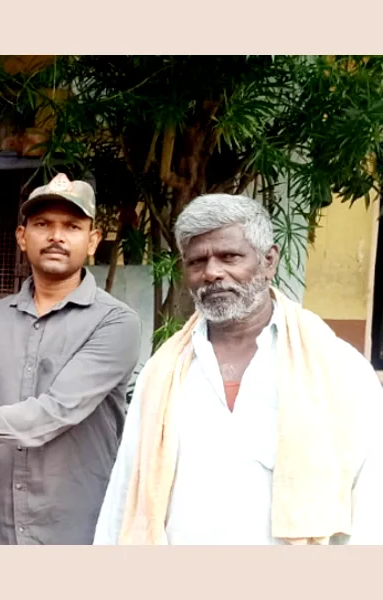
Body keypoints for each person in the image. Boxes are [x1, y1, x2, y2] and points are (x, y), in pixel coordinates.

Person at [94, 193, 383, 545]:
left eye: (230, 256)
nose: (212, 273)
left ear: (268, 261)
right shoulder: (162, 373)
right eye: (197, 261)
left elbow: (372, 498)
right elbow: (126, 489)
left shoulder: (338, 366)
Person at [0, 173, 141, 544]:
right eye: (42, 224)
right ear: (22, 237)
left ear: (93, 240)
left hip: (73, 529)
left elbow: (52, 414)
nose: (56, 236)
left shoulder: (115, 323)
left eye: (72, 226)